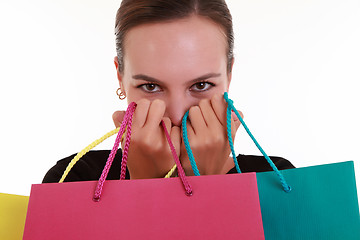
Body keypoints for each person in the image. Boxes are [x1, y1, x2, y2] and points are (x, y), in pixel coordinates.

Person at [43, 0, 294, 183]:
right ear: (120, 77)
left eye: (201, 85)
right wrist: (146, 185)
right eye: (151, 87)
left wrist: (208, 185)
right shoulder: (73, 180)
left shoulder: (280, 181)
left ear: (229, 75)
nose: (175, 114)